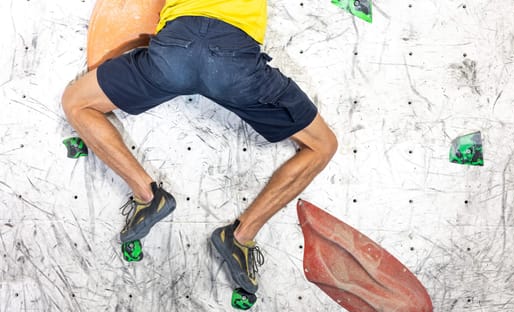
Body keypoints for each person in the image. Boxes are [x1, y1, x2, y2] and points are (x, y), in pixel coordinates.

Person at [61, 0, 338, 295]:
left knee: (76, 103)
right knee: (322, 146)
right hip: (234, 63)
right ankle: (241, 237)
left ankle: (146, 194)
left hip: (175, 49)